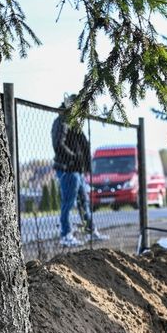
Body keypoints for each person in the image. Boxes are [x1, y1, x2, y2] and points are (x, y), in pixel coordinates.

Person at [51, 95, 106, 246]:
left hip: (78, 170)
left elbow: (84, 146)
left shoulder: (74, 123)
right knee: (68, 203)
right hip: (67, 169)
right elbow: (58, 144)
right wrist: (74, 158)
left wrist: (86, 166)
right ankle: (65, 235)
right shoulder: (61, 122)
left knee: (84, 202)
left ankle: (90, 231)